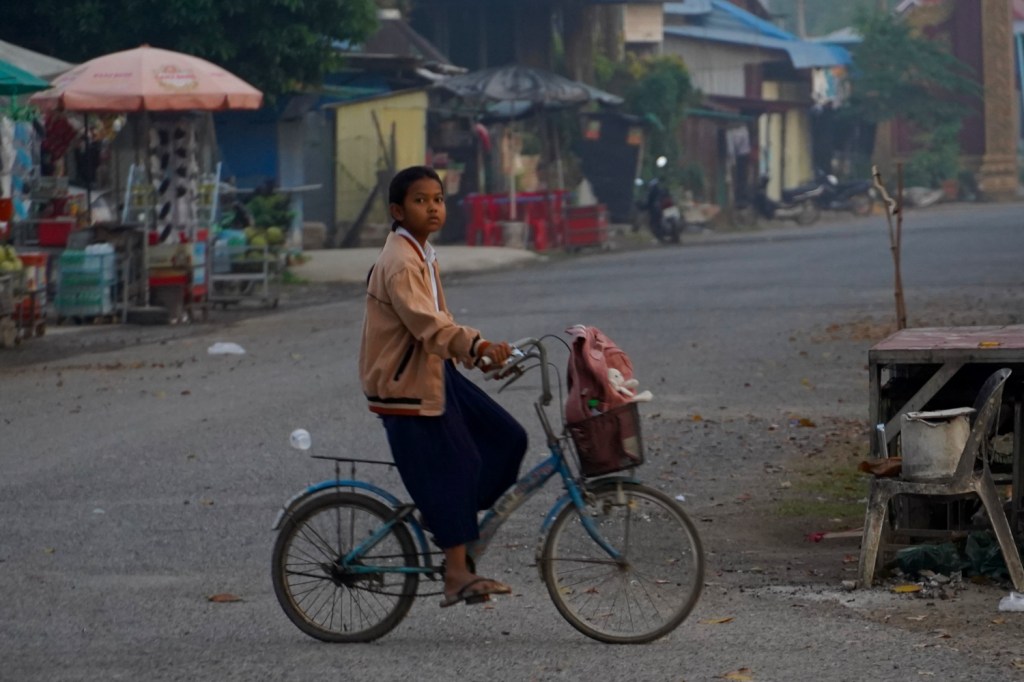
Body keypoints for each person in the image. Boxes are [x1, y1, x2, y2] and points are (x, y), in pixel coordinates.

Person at [359, 165, 528, 608]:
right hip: (407, 387)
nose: (433, 207)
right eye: (420, 200)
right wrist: (478, 344)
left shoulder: (422, 253)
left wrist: (478, 356)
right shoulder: (399, 262)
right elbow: (428, 325)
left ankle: (450, 523)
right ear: (398, 210)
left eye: (438, 199)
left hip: (432, 372)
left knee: (507, 438)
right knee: (460, 464)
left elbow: (438, 329)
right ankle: (455, 573)